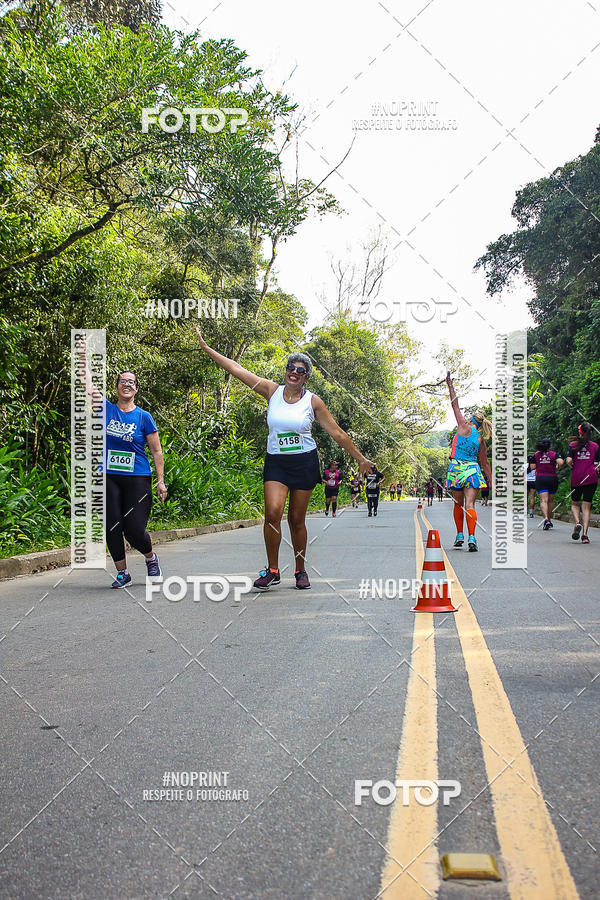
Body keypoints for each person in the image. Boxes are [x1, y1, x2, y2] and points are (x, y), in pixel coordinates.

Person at [194, 329, 373, 589]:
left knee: (296, 519)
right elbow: (236, 369)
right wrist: (207, 348)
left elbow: (337, 433)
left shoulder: (314, 402)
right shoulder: (271, 390)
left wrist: (360, 459)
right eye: (292, 367)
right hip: (276, 462)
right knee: (272, 514)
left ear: (306, 377)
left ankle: (300, 570)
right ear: (286, 370)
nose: (295, 372)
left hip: (304, 462)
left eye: (301, 370)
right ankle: (273, 569)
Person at [77, 339, 167, 588]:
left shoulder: (144, 417)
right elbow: (86, 384)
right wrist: (83, 354)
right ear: (116, 387)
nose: (126, 385)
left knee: (135, 528)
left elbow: (156, 451)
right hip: (108, 475)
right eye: (122, 381)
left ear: (136, 389)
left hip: (137, 477)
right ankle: (123, 573)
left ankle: (150, 558)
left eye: (131, 382)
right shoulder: (105, 408)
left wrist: (160, 481)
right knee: (112, 523)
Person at [445, 371, 493, 552]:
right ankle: (472, 537)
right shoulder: (481, 439)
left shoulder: (463, 426)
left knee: (458, 504)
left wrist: (450, 385)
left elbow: (454, 404)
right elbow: (485, 462)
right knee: (470, 505)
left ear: (471, 419)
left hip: (457, 469)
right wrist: (491, 481)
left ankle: (459, 535)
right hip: (472, 470)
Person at [566, 422, 600, 544]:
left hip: (577, 478)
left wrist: (573, 466)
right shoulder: (595, 446)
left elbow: (569, 460)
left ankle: (577, 523)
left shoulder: (573, 445)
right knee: (587, 507)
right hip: (591, 478)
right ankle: (585, 535)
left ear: (580, 432)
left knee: (575, 504)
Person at [534, 438, 563, 530]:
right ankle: (549, 520)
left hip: (541, 478)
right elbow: (561, 462)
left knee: (543, 500)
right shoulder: (554, 454)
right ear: (549, 445)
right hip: (552, 478)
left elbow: (533, 467)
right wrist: (557, 469)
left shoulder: (536, 454)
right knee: (550, 501)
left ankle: (546, 519)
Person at [526, 453, 537, 517]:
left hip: (526, 481)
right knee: (532, 497)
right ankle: (531, 513)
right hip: (533, 481)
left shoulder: (524, 465)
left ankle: (524, 512)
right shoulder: (535, 466)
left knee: (525, 497)